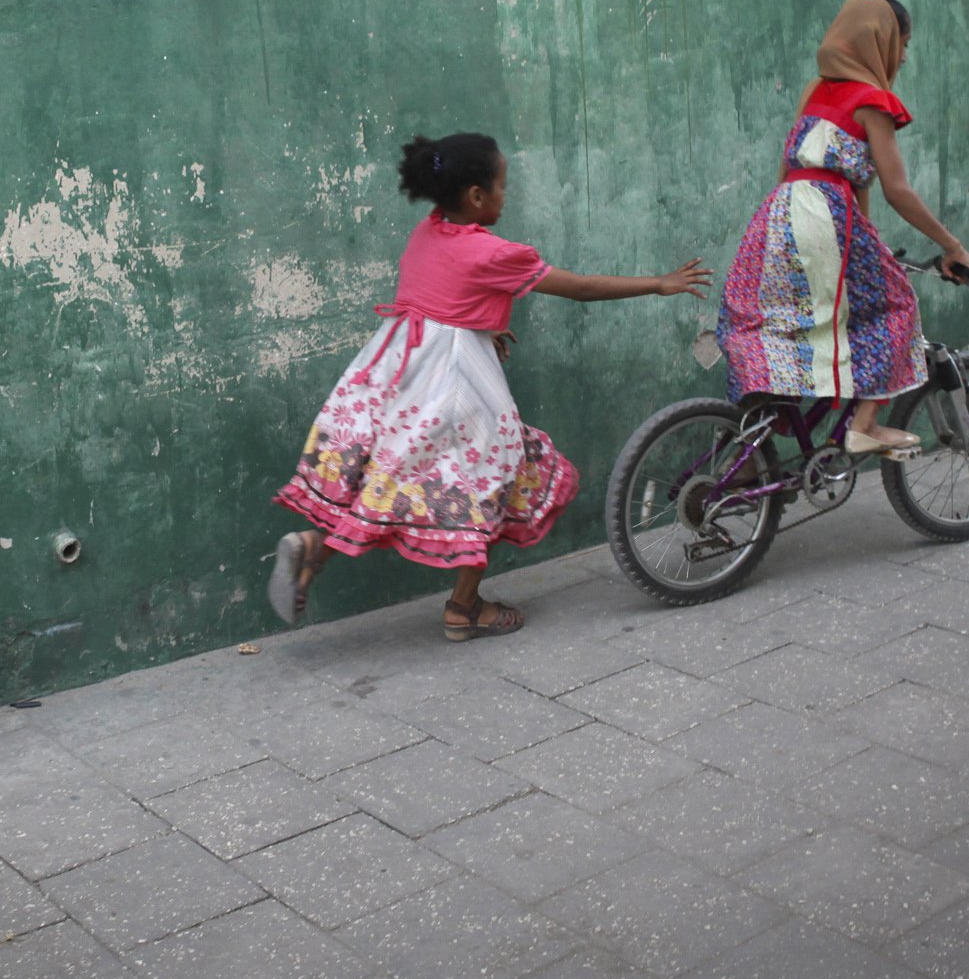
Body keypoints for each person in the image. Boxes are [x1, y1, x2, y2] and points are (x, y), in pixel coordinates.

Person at [269, 133, 712, 639]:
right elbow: (581, 289)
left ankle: (313, 549)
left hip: (398, 373)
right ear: (477, 197)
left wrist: (485, 326)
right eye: (502, 186)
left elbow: (444, 296)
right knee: (494, 481)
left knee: (389, 484)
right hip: (455, 382)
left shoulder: (427, 233)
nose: (507, 196)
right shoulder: (493, 253)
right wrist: (658, 283)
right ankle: (464, 608)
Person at [717, 0, 969, 455]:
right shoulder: (873, 101)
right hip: (826, 213)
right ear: (880, 40)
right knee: (898, 306)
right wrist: (952, 245)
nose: (904, 55)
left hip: (780, 211)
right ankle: (864, 424)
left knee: (785, 322)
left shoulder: (815, 91)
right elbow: (896, 189)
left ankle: (761, 432)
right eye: (904, 43)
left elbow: (800, 168)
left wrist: (866, 239)